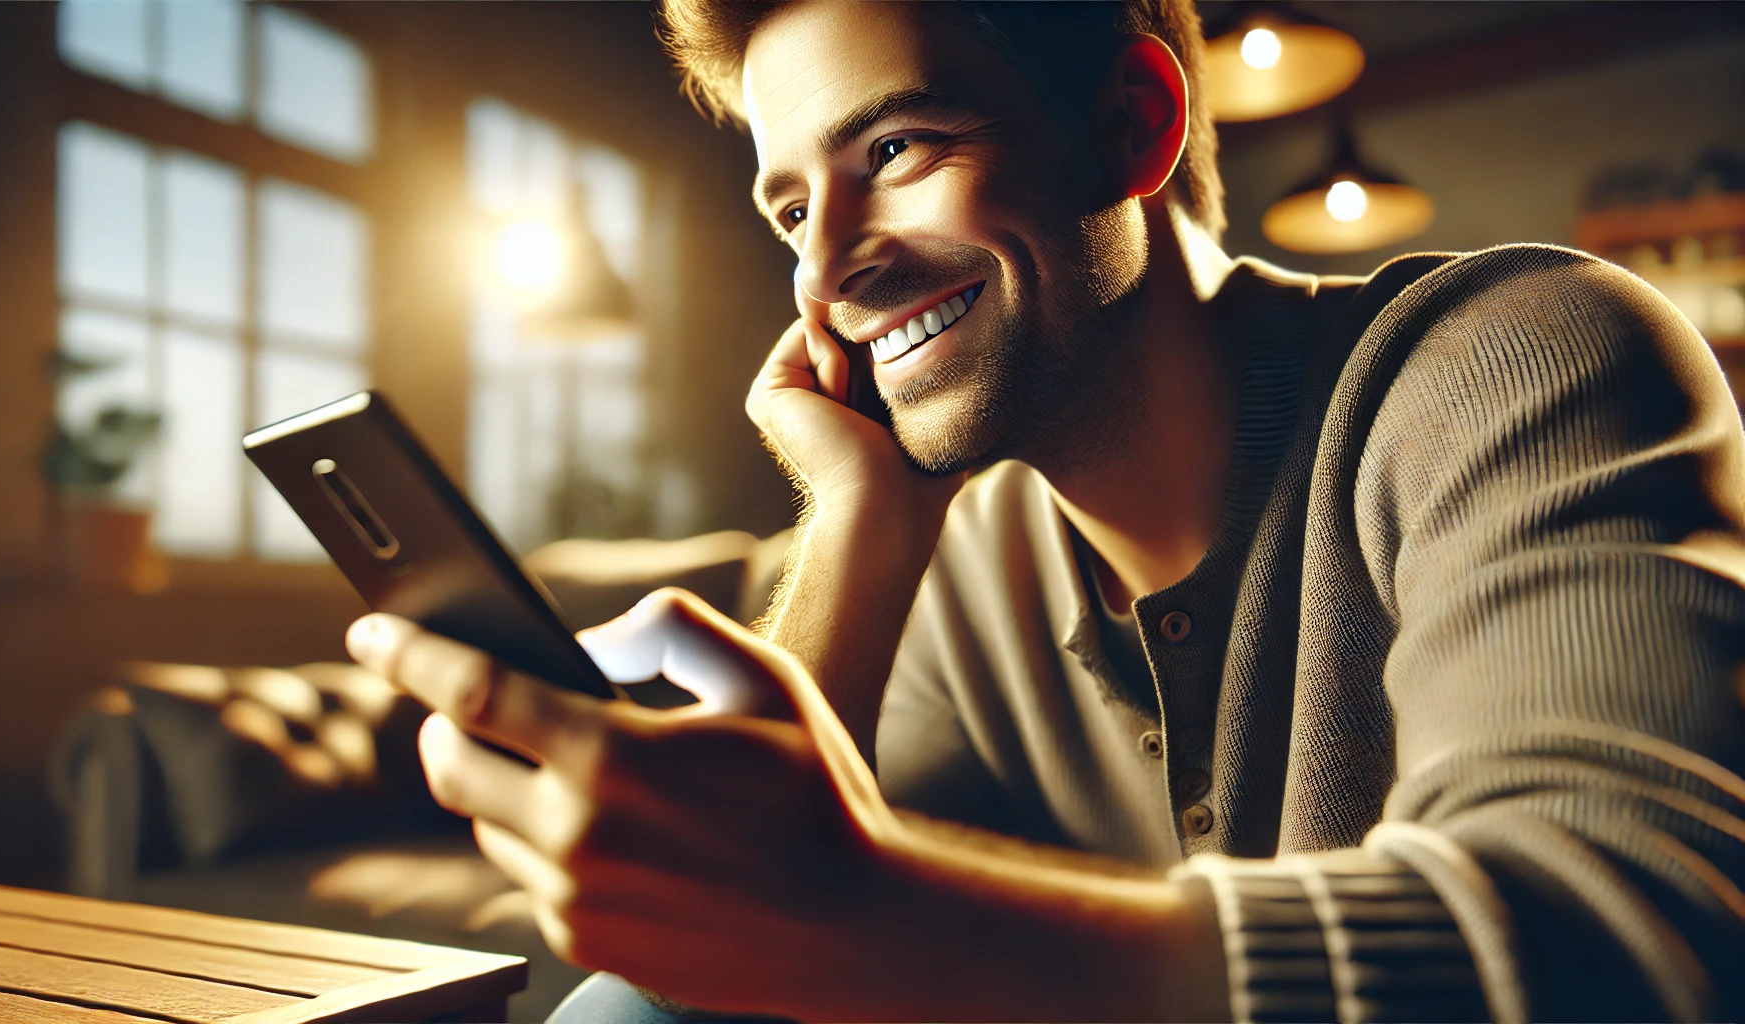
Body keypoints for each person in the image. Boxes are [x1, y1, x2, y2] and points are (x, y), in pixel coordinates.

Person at [345, 1, 1745, 1020]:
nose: (827, 271)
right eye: (789, 213)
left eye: (896, 148)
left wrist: (863, 916)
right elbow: (709, 962)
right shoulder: (967, 545)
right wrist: (862, 525)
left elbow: (1629, 945)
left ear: (1129, 127)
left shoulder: (1519, 356)